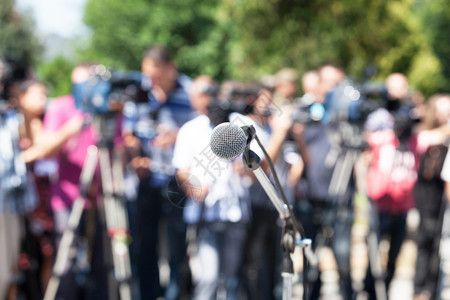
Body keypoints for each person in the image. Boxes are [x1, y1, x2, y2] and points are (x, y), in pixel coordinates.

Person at [122, 44, 193, 300]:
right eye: (147, 75)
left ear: (170, 69)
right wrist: (135, 156)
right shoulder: (139, 92)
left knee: (177, 248)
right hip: (146, 181)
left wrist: (177, 136)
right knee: (144, 246)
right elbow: (128, 134)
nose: (151, 80)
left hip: (178, 182)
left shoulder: (190, 92)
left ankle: (175, 293)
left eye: (156, 74)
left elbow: (202, 131)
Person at [172, 75, 250, 300]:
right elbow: (181, 170)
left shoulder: (239, 124)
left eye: (211, 92)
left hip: (234, 211)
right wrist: (194, 188)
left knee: (232, 278)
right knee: (209, 276)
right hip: (206, 213)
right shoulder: (190, 129)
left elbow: (258, 163)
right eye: (202, 94)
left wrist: (246, 169)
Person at [361, 73, 420, 300]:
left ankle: (386, 290)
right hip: (381, 201)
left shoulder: (413, 138)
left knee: (395, 254)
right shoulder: (380, 132)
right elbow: (365, 148)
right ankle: (370, 291)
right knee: (374, 252)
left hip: (403, 204)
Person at [413, 94, 450, 300]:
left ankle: (432, 288)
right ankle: (419, 289)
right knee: (425, 241)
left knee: (439, 245)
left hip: (442, 195)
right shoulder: (425, 132)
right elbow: (425, 140)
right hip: (427, 195)